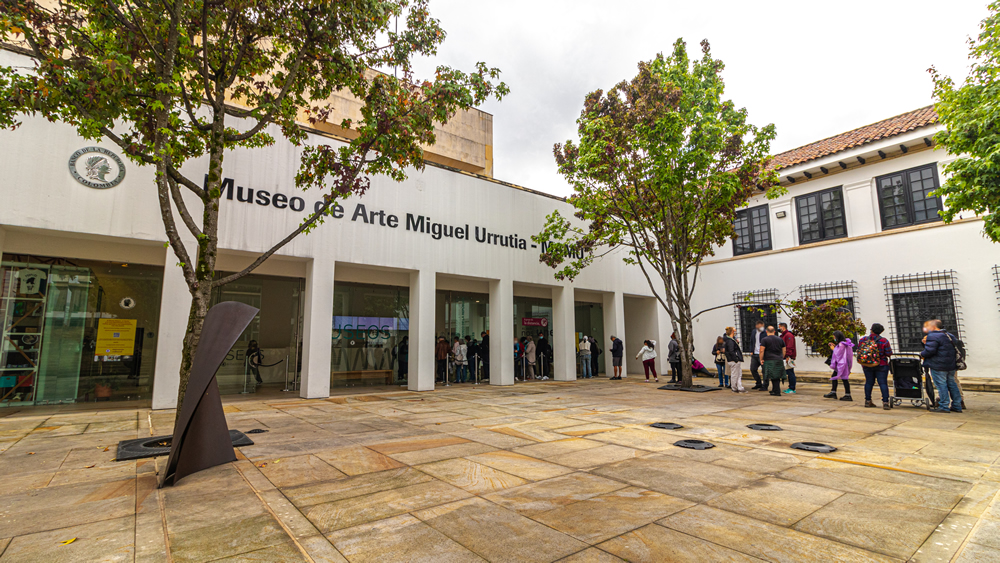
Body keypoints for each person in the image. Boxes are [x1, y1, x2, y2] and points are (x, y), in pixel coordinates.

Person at [921, 319, 962, 413]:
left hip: (938, 365)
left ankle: (944, 406)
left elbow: (930, 351)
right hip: (950, 364)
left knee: (941, 385)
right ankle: (957, 405)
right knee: (952, 384)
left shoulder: (933, 335)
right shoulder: (949, 335)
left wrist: (922, 353)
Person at [857, 323, 892, 409]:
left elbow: (859, 350)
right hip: (881, 364)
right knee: (883, 383)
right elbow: (889, 353)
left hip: (867, 364)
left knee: (869, 382)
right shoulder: (884, 341)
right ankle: (885, 402)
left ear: (871, 330)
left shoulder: (863, 339)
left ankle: (868, 401)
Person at [824, 331, 854, 401]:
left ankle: (847, 394)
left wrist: (833, 349)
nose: (834, 338)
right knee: (838, 377)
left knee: (844, 378)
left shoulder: (841, 344)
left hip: (841, 364)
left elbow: (838, 354)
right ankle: (834, 392)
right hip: (844, 363)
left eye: (834, 336)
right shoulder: (845, 343)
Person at [759, 326, 785, 396]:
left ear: (766, 331)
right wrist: (782, 356)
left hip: (769, 359)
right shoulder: (780, 339)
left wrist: (761, 359)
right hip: (779, 359)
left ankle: (777, 391)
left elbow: (762, 350)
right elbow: (784, 349)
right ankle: (774, 389)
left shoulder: (764, 340)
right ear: (774, 331)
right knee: (777, 375)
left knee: (773, 376)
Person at [723, 327, 746, 393]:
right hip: (734, 360)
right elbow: (731, 350)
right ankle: (734, 387)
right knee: (735, 374)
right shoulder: (730, 341)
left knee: (738, 374)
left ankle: (739, 386)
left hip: (733, 360)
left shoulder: (730, 340)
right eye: (735, 331)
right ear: (732, 332)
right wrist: (735, 358)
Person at [778, 323, 797, 394]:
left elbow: (789, 346)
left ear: (783, 327)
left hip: (788, 357)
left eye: (779, 327)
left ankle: (792, 388)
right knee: (788, 372)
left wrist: (788, 356)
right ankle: (790, 387)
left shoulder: (788, 335)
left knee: (790, 372)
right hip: (785, 356)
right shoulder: (783, 336)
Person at [749, 321, 766, 390]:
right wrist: (751, 351)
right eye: (760, 325)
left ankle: (765, 385)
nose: (761, 327)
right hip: (755, 354)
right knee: (753, 369)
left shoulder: (765, 332)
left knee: (764, 370)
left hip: (762, 354)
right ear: (757, 326)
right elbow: (751, 341)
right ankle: (758, 383)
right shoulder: (754, 332)